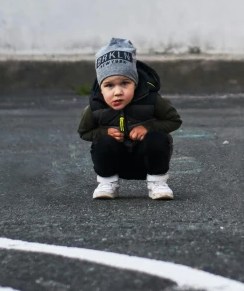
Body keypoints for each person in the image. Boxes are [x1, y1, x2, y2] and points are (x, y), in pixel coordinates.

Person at [78, 38, 182, 200]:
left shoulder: (152, 100)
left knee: (157, 138)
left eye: (125, 83)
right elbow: (84, 132)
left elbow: (174, 120)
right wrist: (105, 131)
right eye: (109, 85)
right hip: (116, 160)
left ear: (135, 83)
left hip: (146, 159)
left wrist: (148, 127)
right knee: (103, 141)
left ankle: (157, 183)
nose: (117, 92)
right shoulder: (95, 107)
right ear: (101, 87)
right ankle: (107, 183)